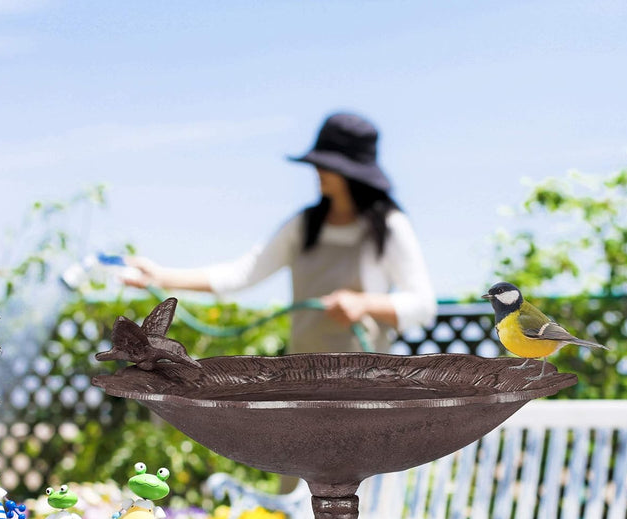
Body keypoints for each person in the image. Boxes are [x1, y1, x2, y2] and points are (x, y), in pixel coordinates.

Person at [122, 111, 437, 354]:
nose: (317, 171)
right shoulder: (304, 225)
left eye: (326, 165)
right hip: (304, 378)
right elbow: (242, 274)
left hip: (368, 386)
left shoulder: (390, 227)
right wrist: (160, 277)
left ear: (349, 173)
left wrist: (364, 304)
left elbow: (424, 305)